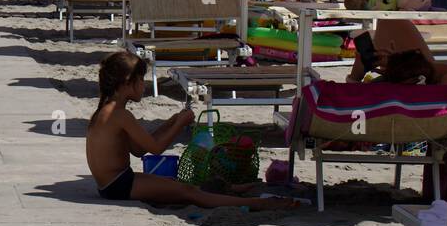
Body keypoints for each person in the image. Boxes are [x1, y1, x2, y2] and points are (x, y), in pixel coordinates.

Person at [86, 51, 295, 210]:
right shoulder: (120, 115)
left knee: (179, 185)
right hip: (119, 185)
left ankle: (231, 191)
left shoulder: (109, 110)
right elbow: (156, 149)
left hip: (113, 183)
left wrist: (171, 121)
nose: (143, 86)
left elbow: (139, 150)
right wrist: (180, 124)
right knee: (188, 192)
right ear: (126, 83)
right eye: (140, 80)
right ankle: (259, 204)